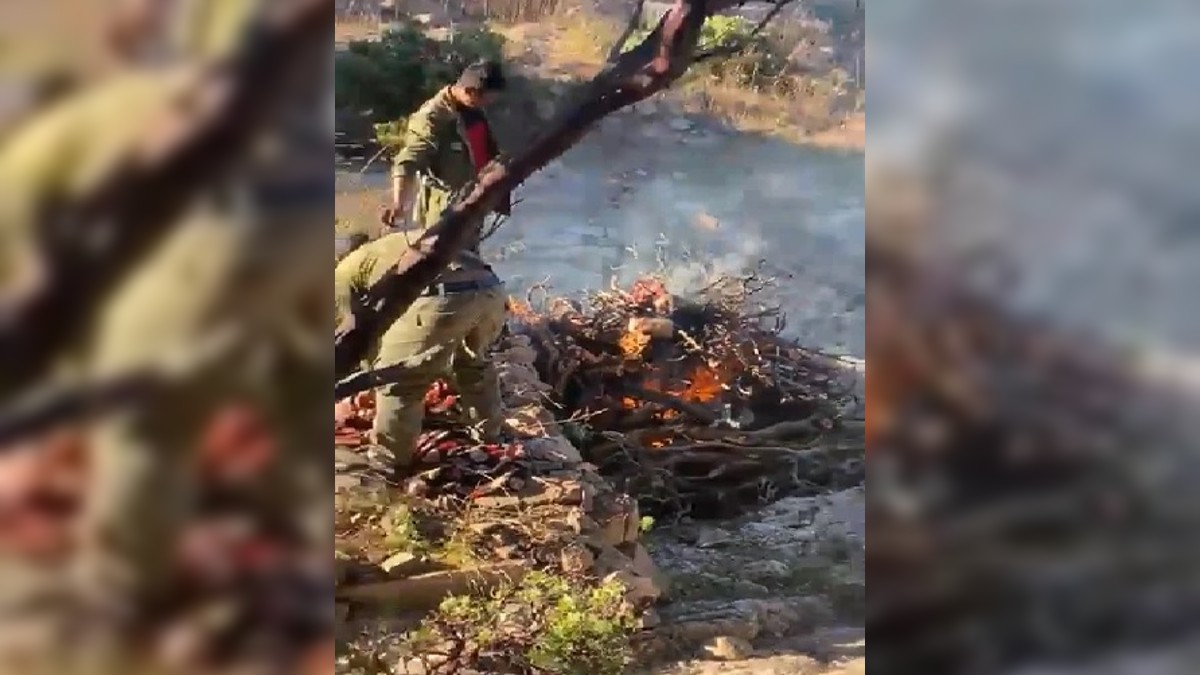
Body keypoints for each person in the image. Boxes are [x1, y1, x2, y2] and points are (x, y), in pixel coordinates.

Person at [0, 0, 331, 670]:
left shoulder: (100, 116)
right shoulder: (279, 112)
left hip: (218, 253)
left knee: (147, 423)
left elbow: (16, 231)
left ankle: (120, 601)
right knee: (295, 385)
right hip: (290, 231)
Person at [338, 60, 512, 470]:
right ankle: (490, 433)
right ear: (467, 89)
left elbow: (345, 326)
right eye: (483, 96)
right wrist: (398, 203)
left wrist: (367, 367)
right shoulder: (432, 117)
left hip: (460, 245)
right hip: (473, 267)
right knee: (474, 359)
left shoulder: (357, 267)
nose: (487, 102)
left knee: (401, 382)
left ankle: (386, 464)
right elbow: (408, 161)